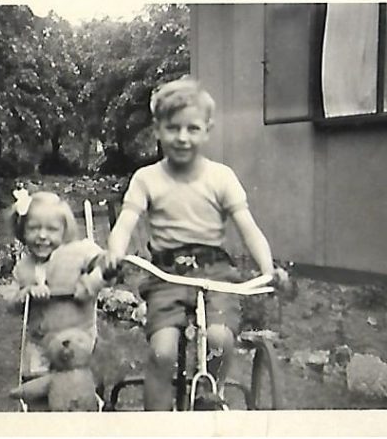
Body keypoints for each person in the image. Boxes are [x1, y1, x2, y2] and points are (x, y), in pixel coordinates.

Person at [105, 77, 289, 411]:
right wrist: (115, 252)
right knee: (162, 352)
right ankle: (157, 427)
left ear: (206, 130)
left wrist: (267, 270)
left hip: (214, 272)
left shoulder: (221, 177)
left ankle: (210, 397)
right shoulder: (147, 179)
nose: (182, 137)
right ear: (158, 130)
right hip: (167, 275)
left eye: (192, 128)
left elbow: (248, 227)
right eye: (173, 128)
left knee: (219, 340)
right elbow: (126, 222)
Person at [7, 190, 106, 401]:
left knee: (77, 389)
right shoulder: (24, 267)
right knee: (37, 391)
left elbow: (104, 263)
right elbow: (11, 305)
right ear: (22, 230)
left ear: (65, 230)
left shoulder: (78, 253)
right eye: (34, 228)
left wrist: (91, 279)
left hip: (76, 340)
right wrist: (27, 293)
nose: (42, 236)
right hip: (39, 344)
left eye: (52, 229)